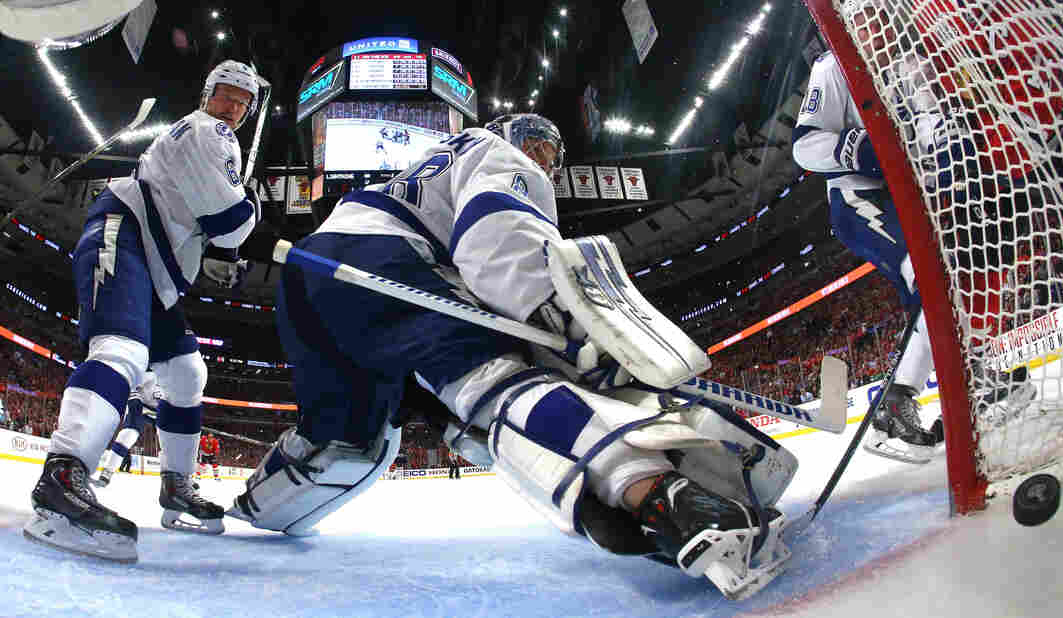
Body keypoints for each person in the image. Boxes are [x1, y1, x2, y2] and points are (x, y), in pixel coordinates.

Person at [227, 114, 795, 599]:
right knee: (492, 383)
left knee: (347, 440)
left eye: (551, 150)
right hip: (381, 259)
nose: (545, 160)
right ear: (513, 136)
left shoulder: (437, 162)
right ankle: (663, 497)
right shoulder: (497, 152)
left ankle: (259, 503)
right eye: (540, 145)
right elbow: (497, 234)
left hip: (311, 275)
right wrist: (561, 318)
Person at [24, 59, 263, 562]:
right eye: (227, 95)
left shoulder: (213, 135)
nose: (235, 107)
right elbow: (231, 224)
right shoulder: (207, 129)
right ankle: (63, 477)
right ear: (207, 94)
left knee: (185, 372)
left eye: (243, 101)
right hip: (125, 234)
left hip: (156, 267)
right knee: (123, 351)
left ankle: (176, 486)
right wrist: (251, 205)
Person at [792, 0, 1034, 463]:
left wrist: (952, 165)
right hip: (862, 198)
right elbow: (805, 145)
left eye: (880, 14)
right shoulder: (832, 67)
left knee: (945, 286)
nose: (876, 23)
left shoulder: (911, 60)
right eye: (865, 15)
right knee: (927, 275)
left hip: (914, 198)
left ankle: (942, 387)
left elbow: (931, 126)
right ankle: (910, 400)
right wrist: (860, 149)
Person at [91, 371, 159, 488]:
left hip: (162, 411)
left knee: (171, 442)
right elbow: (131, 383)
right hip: (141, 407)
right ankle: (106, 473)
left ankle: (179, 477)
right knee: (128, 435)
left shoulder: (178, 379)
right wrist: (133, 398)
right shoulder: (151, 375)